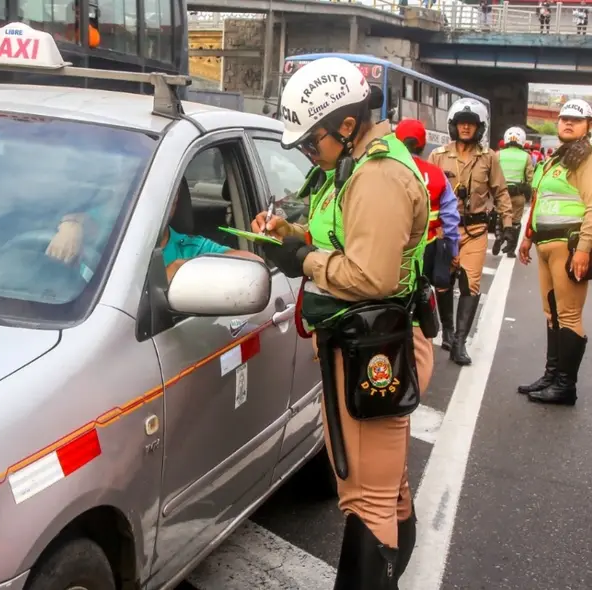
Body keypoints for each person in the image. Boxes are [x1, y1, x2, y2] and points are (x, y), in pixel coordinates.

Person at [252, 57, 434, 589]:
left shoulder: (376, 175)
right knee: (388, 487)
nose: (310, 153)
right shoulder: (355, 165)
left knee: (368, 499)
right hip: (373, 339)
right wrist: (293, 234)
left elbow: (370, 276)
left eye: (312, 142)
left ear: (348, 125)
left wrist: (299, 260)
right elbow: (346, 240)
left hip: (375, 345)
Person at [517, 98, 592, 406]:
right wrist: (527, 236)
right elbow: (539, 201)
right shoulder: (554, 160)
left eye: (576, 119)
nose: (567, 123)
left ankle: (565, 385)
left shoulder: (585, 159)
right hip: (545, 244)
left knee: (570, 314)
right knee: (552, 313)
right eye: (563, 119)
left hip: (569, 245)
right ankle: (551, 375)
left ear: (588, 126)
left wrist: (584, 249)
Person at [428, 98, 513, 365]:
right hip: (443, 230)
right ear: (454, 126)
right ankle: (448, 332)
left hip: (475, 230)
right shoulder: (438, 156)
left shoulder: (489, 158)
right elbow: (424, 191)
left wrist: (508, 227)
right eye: (462, 123)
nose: (466, 128)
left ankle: (460, 343)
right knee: (443, 282)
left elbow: (501, 192)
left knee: (470, 283)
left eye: (472, 124)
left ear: (480, 128)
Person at [46, 176, 259, 280]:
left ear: (177, 201)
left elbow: (254, 263)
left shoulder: (191, 246)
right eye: (147, 190)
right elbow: (85, 220)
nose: (165, 200)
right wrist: (71, 225)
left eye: (171, 194)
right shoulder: (106, 231)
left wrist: (188, 269)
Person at [395, 119, 462, 346]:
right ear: (423, 145)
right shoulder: (436, 174)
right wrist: (453, 250)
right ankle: (448, 333)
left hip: (398, 249)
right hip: (431, 245)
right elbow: (451, 218)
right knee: (442, 285)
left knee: (401, 291)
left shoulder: (389, 172)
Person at [493, 126, 535, 258]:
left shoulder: (498, 154)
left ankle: (499, 236)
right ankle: (511, 249)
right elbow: (530, 178)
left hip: (501, 194)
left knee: (500, 217)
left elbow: (492, 174)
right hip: (518, 195)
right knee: (516, 221)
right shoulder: (526, 157)